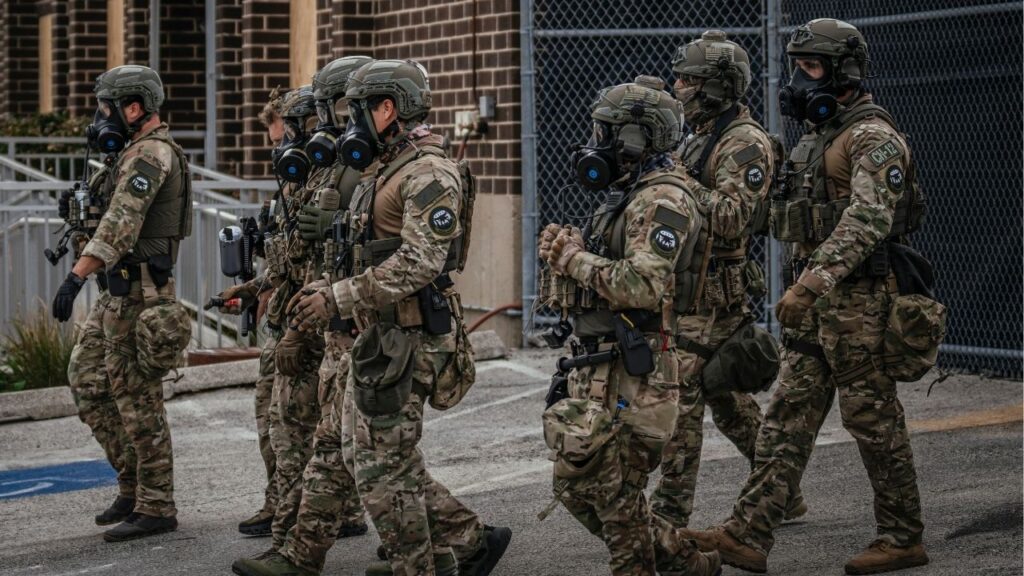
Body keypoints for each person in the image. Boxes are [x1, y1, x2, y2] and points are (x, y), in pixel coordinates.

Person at [682, 19, 930, 575]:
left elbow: (867, 222)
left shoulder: (872, 137)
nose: (798, 79)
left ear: (844, 72)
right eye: (797, 66)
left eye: (811, 67)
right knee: (785, 418)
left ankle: (902, 535)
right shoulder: (821, 137)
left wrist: (809, 282)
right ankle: (748, 532)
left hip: (862, 302)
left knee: (873, 421)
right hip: (820, 310)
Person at [288, 59, 511, 576]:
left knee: (380, 461)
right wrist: (329, 285)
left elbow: (420, 260)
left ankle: (429, 560)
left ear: (388, 109)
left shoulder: (429, 172)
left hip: (413, 336)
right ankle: (466, 542)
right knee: (367, 455)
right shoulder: (385, 168)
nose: (349, 125)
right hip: (382, 334)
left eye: (358, 111)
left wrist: (340, 296)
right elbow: (369, 251)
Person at [536, 75, 721, 576]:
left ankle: (664, 563)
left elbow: (641, 285)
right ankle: (685, 560)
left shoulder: (664, 201)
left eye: (604, 133)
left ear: (632, 140)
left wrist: (574, 259)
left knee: (612, 492)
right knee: (580, 484)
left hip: (638, 372)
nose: (593, 144)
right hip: (602, 361)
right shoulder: (630, 194)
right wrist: (572, 253)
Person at [650, 30, 806, 529]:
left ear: (717, 85)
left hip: (716, 294)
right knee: (729, 402)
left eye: (687, 80)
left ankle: (668, 515)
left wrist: (675, 181)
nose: (677, 87)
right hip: (692, 290)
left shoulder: (744, 142)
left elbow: (734, 216)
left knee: (683, 396)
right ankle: (783, 493)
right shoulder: (700, 133)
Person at [231, 55, 375, 576]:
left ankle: (292, 540)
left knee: (299, 432)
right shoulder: (321, 172)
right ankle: (301, 538)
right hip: (309, 313)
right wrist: (256, 287)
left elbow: (330, 261)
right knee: (326, 439)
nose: (284, 143)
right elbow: (293, 253)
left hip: (324, 320)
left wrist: (295, 326)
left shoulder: (351, 172)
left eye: (294, 128)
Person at [56, 64, 192, 542]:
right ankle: (133, 485)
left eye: (106, 108)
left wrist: (75, 278)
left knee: (138, 401)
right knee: (87, 379)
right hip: (116, 294)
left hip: (142, 297)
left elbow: (122, 223)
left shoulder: (151, 155)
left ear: (133, 108)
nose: (100, 117)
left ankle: (157, 504)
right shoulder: (130, 153)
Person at [221, 86, 289, 538]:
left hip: (311, 323)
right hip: (284, 318)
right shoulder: (292, 189)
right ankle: (284, 503)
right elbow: (286, 262)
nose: (278, 152)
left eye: (282, 141)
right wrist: (250, 290)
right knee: (273, 418)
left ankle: (300, 512)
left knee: (288, 424)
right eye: (274, 144)